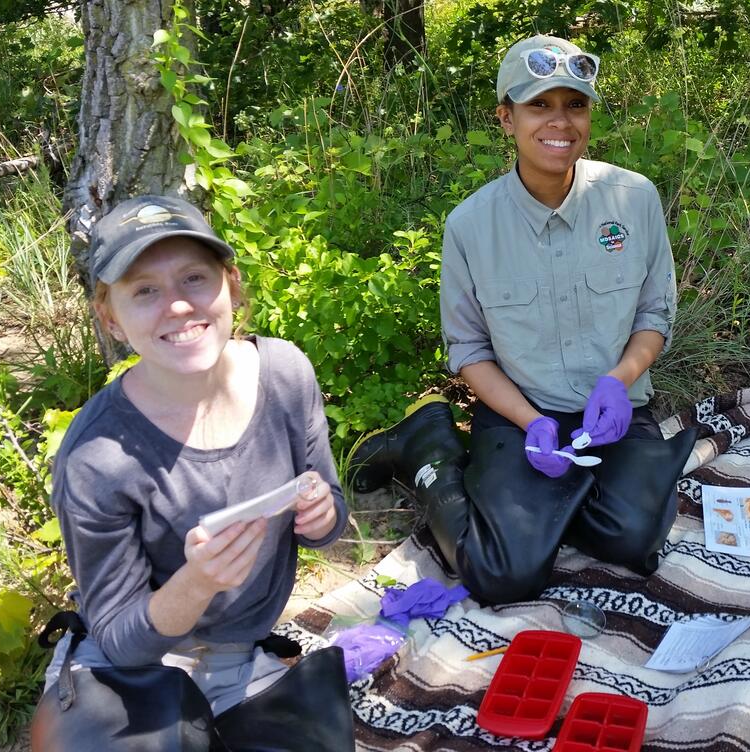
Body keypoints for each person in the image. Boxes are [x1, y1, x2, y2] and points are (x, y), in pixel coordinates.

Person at [349, 35, 694, 605]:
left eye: (575, 104)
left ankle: (546, 506)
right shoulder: (470, 226)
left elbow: (655, 313)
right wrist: (530, 421)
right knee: (503, 573)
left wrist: (618, 380)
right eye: (539, 105)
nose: (560, 122)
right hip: (518, 417)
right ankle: (428, 446)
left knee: (634, 542)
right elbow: (469, 350)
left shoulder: (634, 199)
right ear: (506, 118)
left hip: (615, 411)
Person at [38, 196, 353, 747]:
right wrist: (198, 581)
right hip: (131, 667)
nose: (179, 307)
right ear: (110, 318)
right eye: (145, 291)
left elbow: (327, 521)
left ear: (230, 283)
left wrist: (323, 513)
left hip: (238, 660)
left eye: (193, 278)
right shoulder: (97, 455)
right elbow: (119, 640)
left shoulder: (285, 375)